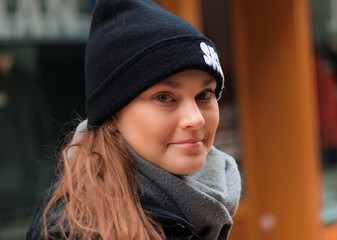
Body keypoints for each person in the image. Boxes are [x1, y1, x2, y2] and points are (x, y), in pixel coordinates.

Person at [26, 0, 241, 239]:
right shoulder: (76, 230)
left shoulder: (211, 197)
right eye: (163, 97)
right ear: (113, 114)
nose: (196, 119)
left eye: (204, 95)